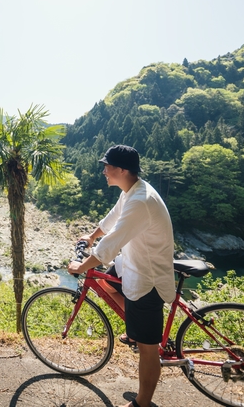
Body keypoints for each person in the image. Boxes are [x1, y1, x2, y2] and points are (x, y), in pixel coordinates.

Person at [67, 145, 175, 407]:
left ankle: (142, 402)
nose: (104, 170)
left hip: (147, 278)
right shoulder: (132, 190)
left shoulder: (140, 201)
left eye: (108, 166)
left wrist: (81, 266)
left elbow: (111, 243)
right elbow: (113, 218)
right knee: (106, 282)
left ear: (123, 170)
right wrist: (91, 235)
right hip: (130, 262)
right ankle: (136, 331)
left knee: (149, 352)